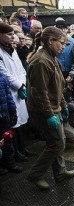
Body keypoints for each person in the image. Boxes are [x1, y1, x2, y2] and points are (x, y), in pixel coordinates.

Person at [26, 26, 74, 190]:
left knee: (58, 141)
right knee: (56, 144)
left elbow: (57, 85)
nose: (63, 47)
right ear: (50, 41)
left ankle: (60, 172)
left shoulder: (51, 56)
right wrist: (49, 114)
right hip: (44, 110)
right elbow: (40, 92)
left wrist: (62, 105)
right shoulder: (41, 61)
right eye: (61, 43)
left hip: (53, 107)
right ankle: (35, 175)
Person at [0, 23, 34, 162]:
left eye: (13, 33)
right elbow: (4, 73)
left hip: (19, 89)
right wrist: (19, 85)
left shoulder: (12, 50)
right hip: (9, 92)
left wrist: (23, 85)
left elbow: (20, 69)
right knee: (12, 124)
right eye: (9, 34)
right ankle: (15, 153)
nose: (12, 36)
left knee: (20, 123)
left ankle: (22, 149)